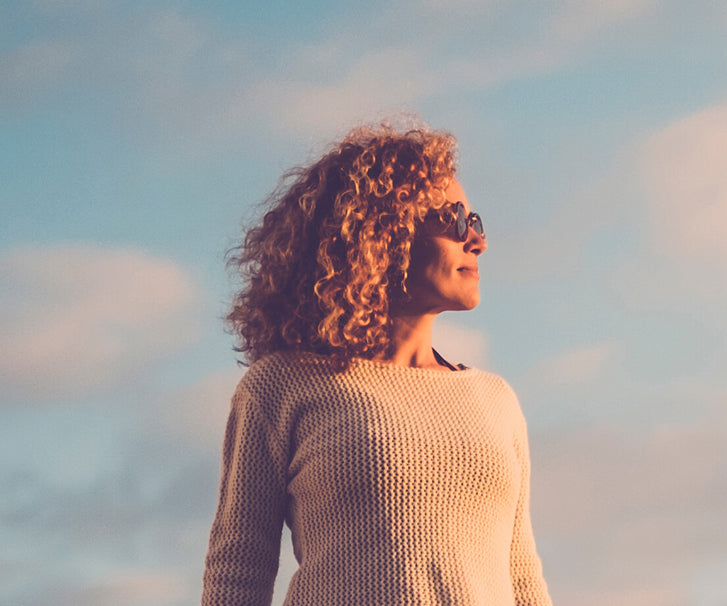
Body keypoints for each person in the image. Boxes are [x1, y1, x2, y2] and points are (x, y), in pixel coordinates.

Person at [201, 124, 553, 606]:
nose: (476, 241)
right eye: (454, 219)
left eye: (477, 221)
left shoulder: (496, 401)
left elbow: (522, 576)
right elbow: (238, 568)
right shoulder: (281, 387)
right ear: (381, 232)